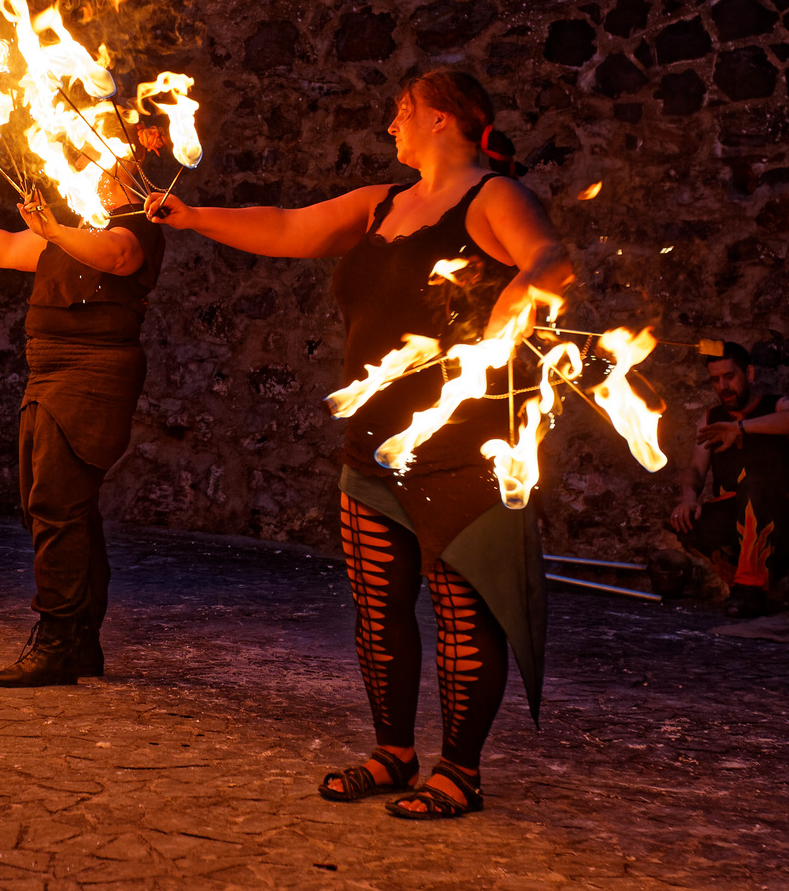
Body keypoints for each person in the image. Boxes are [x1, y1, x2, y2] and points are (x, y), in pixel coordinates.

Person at [147, 69, 572, 820]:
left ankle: (460, 770)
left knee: (463, 615)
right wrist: (193, 216)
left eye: (400, 113)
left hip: (464, 448)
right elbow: (286, 227)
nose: (389, 127)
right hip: (373, 449)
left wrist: (519, 295)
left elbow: (549, 261)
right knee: (379, 612)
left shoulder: (492, 196)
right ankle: (394, 753)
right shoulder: (383, 204)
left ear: (441, 120)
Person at [0, 170, 164, 687]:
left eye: (96, 161)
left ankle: (56, 641)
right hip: (45, 368)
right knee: (53, 503)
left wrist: (55, 231)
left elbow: (116, 256)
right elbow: (7, 247)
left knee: (56, 503)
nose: (81, 167)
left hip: (94, 369)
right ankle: (80, 643)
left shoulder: (137, 225)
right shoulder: (69, 230)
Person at [670, 342, 789, 618]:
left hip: (781, 520)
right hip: (735, 520)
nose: (723, 386)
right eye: (715, 379)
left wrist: (741, 428)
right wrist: (688, 498)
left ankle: (749, 589)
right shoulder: (711, 419)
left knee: (754, 485)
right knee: (685, 521)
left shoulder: (776, 406)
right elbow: (696, 469)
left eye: (729, 376)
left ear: (748, 374)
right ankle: (740, 581)